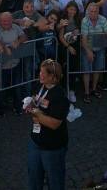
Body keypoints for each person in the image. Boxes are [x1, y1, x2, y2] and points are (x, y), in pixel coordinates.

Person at [26, 59, 68, 190]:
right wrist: (30, 107)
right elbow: (34, 103)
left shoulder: (60, 96)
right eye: (40, 71)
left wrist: (38, 115)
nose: (40, 75)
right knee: (34, 177)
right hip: (35, 141)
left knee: (54, 180)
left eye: (44, 73)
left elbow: (54, 124)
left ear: (53, 77)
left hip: (52, 148)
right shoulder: (38, 86)